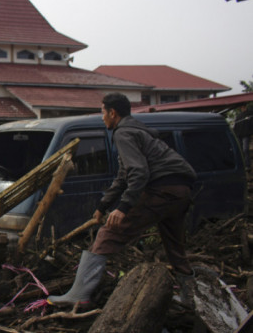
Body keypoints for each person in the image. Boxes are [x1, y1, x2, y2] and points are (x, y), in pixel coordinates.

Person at [47, 92, 197, 308]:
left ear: (112, 113)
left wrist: (123, 208)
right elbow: (123, 176)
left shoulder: (123, 133)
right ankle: (189, 297)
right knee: (174, 244)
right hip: (181, 190)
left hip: (161, 190)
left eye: (102, 112)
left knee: (108, 232)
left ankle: (79, 294)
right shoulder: (137, 131)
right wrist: (103, 206)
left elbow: (138, 172)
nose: (102, 117)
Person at [233, 105, 253, 170]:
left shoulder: (250, 114)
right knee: (240, 150)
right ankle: (243, 165)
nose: (242, 108)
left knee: (245, 149)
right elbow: (236, 126)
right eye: (241, 107)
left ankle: (247, 165)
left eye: (243, 107)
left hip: (246, 135)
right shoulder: (239, 116)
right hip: (239, 135)